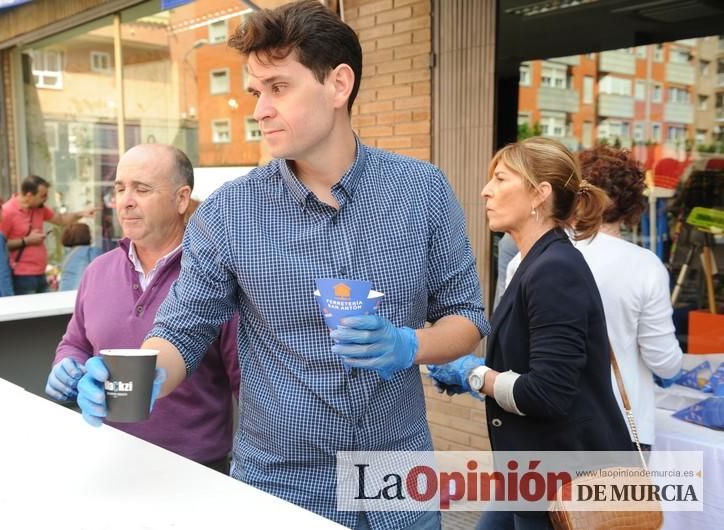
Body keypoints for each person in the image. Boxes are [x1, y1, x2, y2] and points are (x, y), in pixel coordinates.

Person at [76, 2, 488, 528]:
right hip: (282, 480)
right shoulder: (229, 213)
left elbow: (467, 317)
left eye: (278, 87)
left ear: (338, 85)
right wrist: (140, 375)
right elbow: (180, 332)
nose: (259, 109)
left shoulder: (422, 191)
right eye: (255, 91)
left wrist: (412, 345)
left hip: (396, 473)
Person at [429, 137, 632, 529]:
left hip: (566, 483)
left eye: (501, 179)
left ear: (540, 194)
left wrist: (475, 375)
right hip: (531, 472)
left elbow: (547, 393)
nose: (486, 190)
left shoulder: (554, 268)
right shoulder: (534, 261)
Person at [46, 144, 240, 473]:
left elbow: (247, 387)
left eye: (142, 189)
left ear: (181, 199)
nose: (126, 200)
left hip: (197, 472)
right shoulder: (97, 271)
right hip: (107, 458)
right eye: (120, 188)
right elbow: (76, 341)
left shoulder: (214, 279)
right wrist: (67, 363)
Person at [574, 145, 684, 448]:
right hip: (620, 425)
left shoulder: (535, 257)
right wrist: (680, 367)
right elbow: (664, 361)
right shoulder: (645, 266)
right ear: (632, 204)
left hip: (550, 421)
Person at [0, 175, 97, 295]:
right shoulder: (7, 212)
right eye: (42, 196)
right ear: (29, 195)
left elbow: (61, 220)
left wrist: (81, 213)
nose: (46, 199)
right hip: (22, 276)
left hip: (40, 273)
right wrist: (27, 240)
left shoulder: (39, 208)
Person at [58, 222, 102, 291]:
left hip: (64, 292)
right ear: (85, 235)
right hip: (81, 292)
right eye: (89, 233)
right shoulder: (91, 251)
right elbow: (100, 271)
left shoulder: (68, 253)